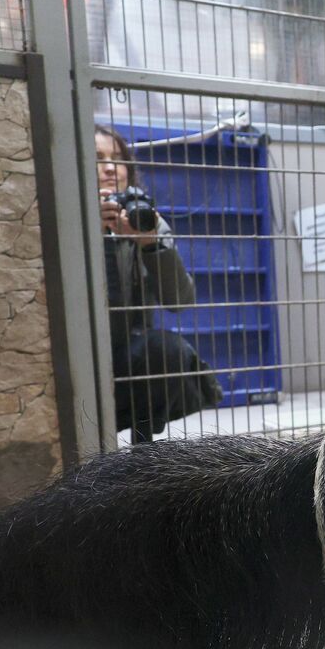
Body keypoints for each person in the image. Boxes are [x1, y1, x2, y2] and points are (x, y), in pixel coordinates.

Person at [95, 124, 222, 442]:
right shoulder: (63, 218)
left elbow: (179, 300)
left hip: (129, 353)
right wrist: (90, 228)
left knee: (167, 351)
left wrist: (150, 245)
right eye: (98, 159)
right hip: (82, 355)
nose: (111, 168)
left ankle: (143, 452)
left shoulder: (143, 218)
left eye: (118, 159)